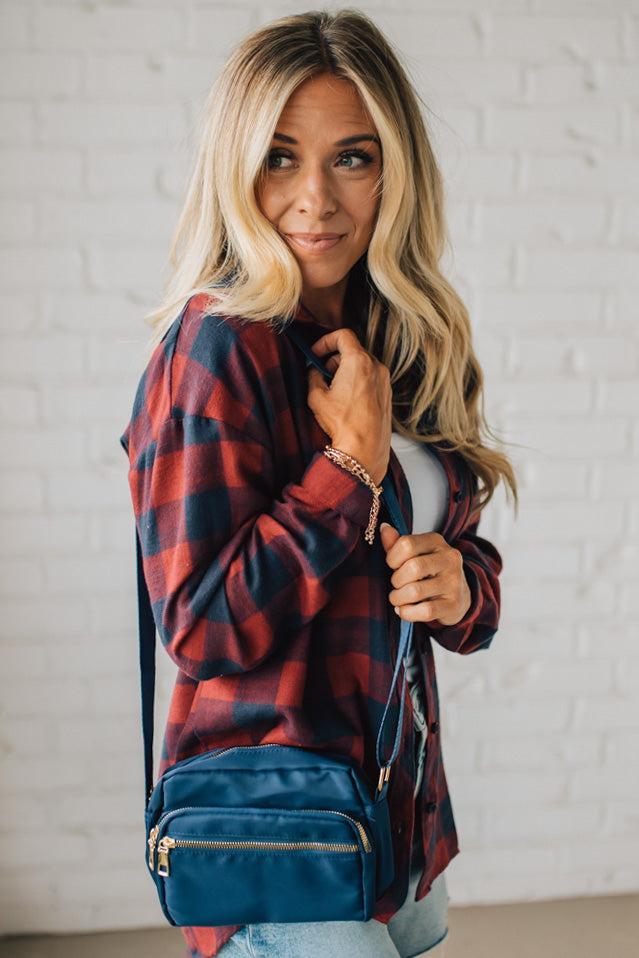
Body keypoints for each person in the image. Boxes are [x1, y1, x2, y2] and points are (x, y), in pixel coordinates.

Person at [119, 9, 517, 958]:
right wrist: (347, 471)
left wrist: (462, 588)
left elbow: (446, 558)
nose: (314, 199)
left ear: (395, 171)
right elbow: (201, 626)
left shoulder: (403, 337)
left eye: (352, 158)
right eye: (278, 157)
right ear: (235, 167)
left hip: (395, 821)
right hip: (276, 836)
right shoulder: (218, 347)